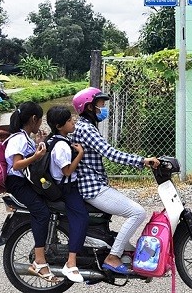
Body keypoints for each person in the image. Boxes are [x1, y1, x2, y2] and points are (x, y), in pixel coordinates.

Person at [70, 87, 159, 275]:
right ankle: (113, 256)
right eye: (100, 104)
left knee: (131, 214)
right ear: (89, 107)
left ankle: (122, 251)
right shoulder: (86, 129)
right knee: (137, 213)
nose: (103, 108)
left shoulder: (84, 126)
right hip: (92, 188)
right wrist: (142, 161)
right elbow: (110, 153)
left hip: (95, 185)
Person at [4, 102, 58, 284]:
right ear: (34, 119)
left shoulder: (25, 137)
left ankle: (50, 246)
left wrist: (39, 144)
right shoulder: (17, 138)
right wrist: (36, 156)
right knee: (41, 211)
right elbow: (17, 164)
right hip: (16, 183)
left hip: (23, 181)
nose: (40, 124)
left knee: (50, 205)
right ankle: (39, 261)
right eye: (40, 120)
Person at [46, 105, 88, 283]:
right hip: (66, 188)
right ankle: (71, 262)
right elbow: (67, 171)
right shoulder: (62, 145)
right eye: (69, 121)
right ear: (59, 126)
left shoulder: (53, 140)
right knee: (81, 217)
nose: (73, 123)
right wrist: (80, 153)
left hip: (65, 185)